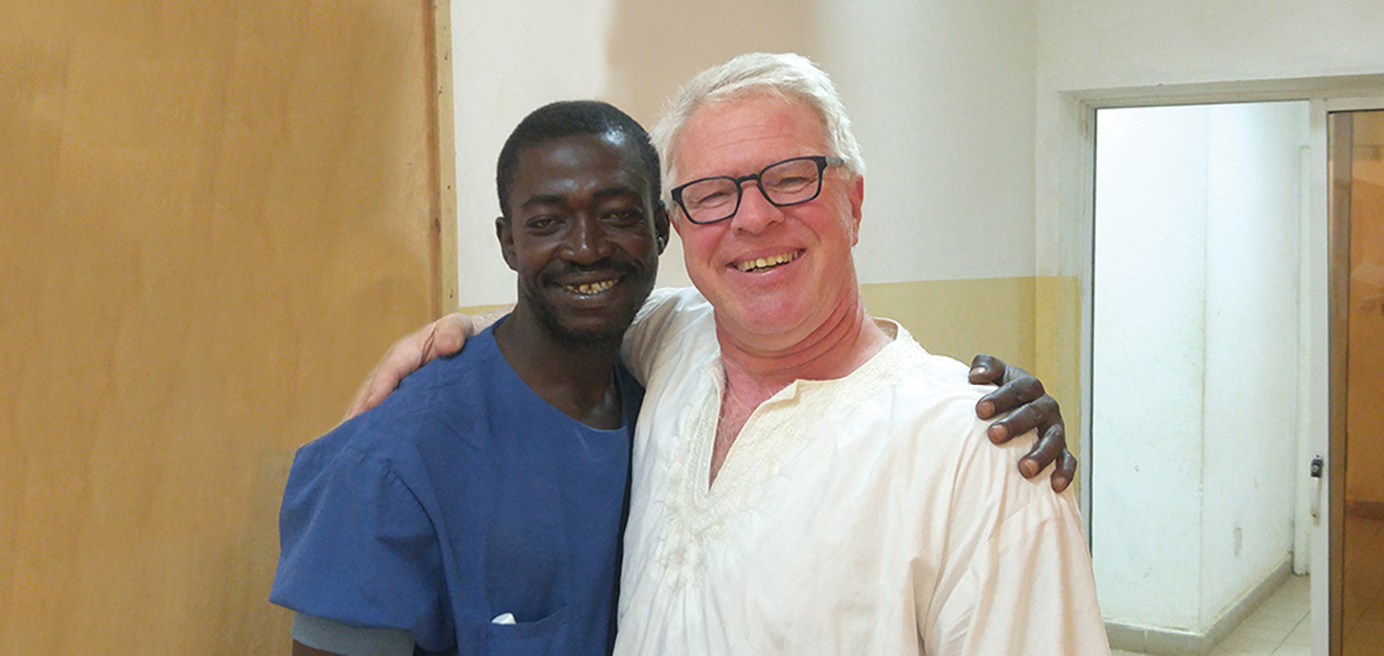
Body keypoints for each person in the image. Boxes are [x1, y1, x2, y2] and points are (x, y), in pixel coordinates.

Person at [351, 54, 1105, 654]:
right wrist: (449, 334)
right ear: (677, 226)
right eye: (712, 193)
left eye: (789, 178)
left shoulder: (983, 452)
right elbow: (563, 310)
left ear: (854, 201)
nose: (752, 219)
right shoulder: (671, 340)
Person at [270, 100, 670, 655]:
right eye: (548, 223)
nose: (586, 248)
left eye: (618, 215)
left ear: (661, 229)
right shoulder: (389, 464)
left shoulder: (673, 406)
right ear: (510, 243)